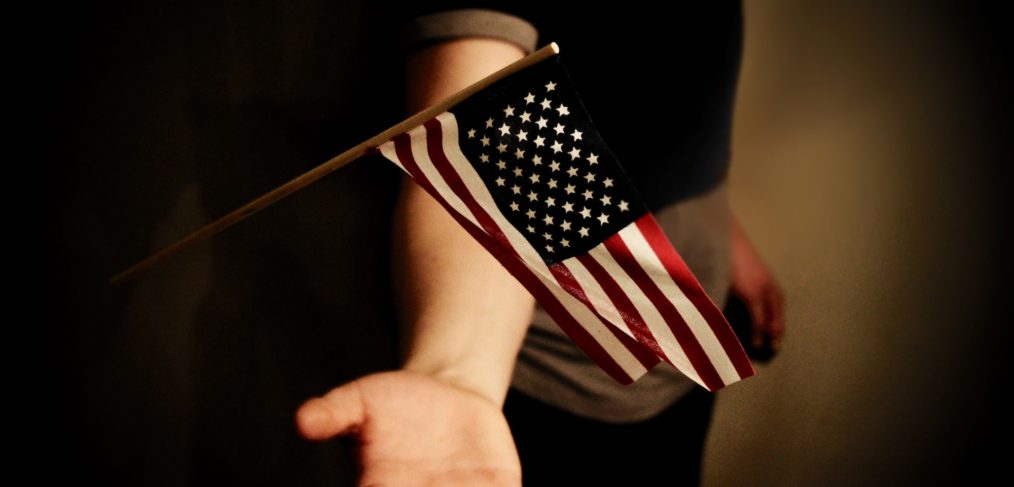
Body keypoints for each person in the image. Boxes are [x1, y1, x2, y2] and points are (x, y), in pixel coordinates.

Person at [296, 3, 784, 485]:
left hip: (685, 318)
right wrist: (459, 376)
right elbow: (484, 127)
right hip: (561, 373)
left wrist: (719, 222)